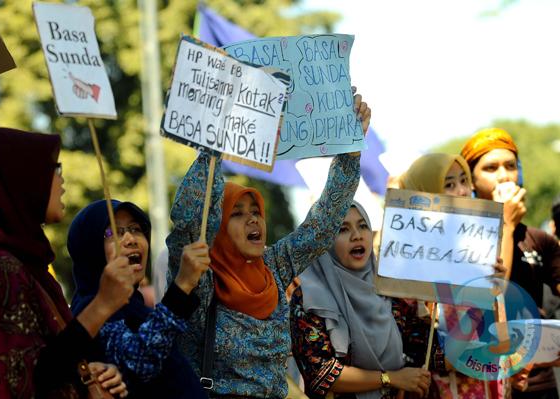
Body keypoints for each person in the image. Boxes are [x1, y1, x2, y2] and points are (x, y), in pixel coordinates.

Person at [166, 91, 371, 397]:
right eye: (237, 214)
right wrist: (214, 146)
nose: (253, 221)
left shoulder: (274, 266)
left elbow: (322, 225)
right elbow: (191, 219)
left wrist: (350, 154)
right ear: (217, 227)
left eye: (256, 213)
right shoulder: (201, 278)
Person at [0, 127, 132, 398]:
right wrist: (103, 304)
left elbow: (41, 364)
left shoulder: (22, 261)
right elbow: (15, 386)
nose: (62, 181)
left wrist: (82, 373)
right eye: (54, 168)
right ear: (20, 177)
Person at [68, 199, 209, 398]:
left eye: (135, 229)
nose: (130, 239)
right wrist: (182, 286)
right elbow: (140, 361)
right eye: (113, 233)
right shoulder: (90, 311)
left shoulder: (137, 308)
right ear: (90, 250)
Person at [290, 200, 431, 399]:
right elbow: (320, 374)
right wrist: (390, 378)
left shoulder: (387, 290)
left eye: (363, 225)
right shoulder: (308, 298)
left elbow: (426, 350)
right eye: (343, 229)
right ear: (322, 242)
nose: (357, 235)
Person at [397, 153, 508, 398]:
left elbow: (495, 337)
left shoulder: (482, 251)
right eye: (448, 185)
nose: (462, 191)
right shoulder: (407, 265)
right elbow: (424, 352)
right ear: (425, 193)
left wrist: (495, 288)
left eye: (463, 181)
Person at [461, 128, 560, 399]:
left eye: (510, 166)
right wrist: (504, 222)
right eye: (491, 168)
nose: (504, 175)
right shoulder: (460, 241)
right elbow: (492, 292)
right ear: (470, 181)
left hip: (538, 381)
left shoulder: (540, 240)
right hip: (485, 377)